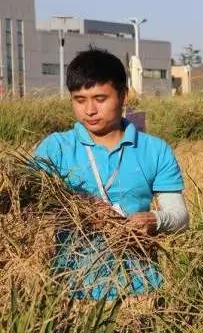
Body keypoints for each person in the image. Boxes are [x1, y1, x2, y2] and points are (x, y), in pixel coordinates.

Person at [34, 48, 189, 301]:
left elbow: (180, 216)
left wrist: (154, 220)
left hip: (140, 289)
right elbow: (26, 205)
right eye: (80, 100)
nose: (90, 110)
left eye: (100, 98)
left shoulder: (154, 150)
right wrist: (77, 207)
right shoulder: (55, 148)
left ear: (123, 95)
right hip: (73, 290)